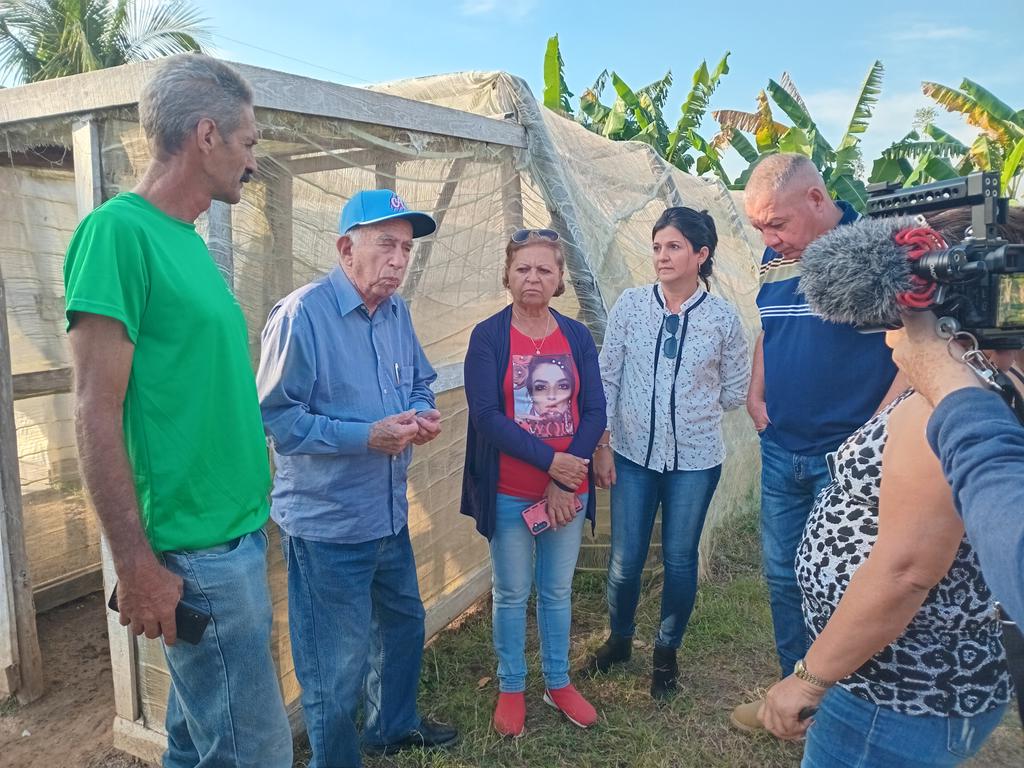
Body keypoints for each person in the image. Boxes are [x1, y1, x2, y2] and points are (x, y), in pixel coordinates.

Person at [63, 55, 292, 767]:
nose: (253, 162)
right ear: (206, 135)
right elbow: (94, 410)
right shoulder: (117, 234)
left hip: (233, 536)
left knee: (196, 747)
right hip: (195, 555)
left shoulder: (186, 241)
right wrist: (135, 564)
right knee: (257, 754)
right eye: (248, 143)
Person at [257, 190, 457, 767]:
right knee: (334, 667)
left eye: (407, 248)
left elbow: (420, 380)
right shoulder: (302, 315)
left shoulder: (396, 312)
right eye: (386, 244)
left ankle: (391, 727)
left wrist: (421, 413)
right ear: (346, 249)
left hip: (386, 513)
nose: (399, 259)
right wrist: (365, 437)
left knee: (402, 626)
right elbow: (277, 419)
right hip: (328, 526)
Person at [757, 321, 1011, 765]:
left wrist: (809, 680)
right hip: (879, 680)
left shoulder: (948, 402)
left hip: (896, 696)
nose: (889, 333)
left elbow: (905, 572)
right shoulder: (964, 383)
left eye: (902, 316)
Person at [732, 154, 904, 730]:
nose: (769, 238)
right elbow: (771, 326)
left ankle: (847, 707)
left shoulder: (876, 252)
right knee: (785, 577)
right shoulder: (775, 258)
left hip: (848, 458)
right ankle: (795, 697)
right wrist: (756, 392)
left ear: (815, 198)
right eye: (759, 227)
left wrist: (875, 434)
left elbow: (915, 346)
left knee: (846, 584)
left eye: (776, 224)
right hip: (782, 446)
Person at [584, 207, 749, 699]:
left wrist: (689, 407)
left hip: (695, 461)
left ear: (701, 254)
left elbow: (735, 389)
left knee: (679, 559)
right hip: (632, 455)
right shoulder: (631, 305)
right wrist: (603, 442)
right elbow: (606, 377)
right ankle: (619, 641)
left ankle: (665, 654)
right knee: (625, 559)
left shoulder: (722, 318)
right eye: (657, 246)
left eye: (674, 247)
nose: (662, 256)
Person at [461, 228, 606, 737]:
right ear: (507, 274)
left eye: (545, 269)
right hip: (509, 490)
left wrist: (565, 479)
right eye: (523, 268)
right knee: (511, 591)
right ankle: (512, 685)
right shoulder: (489, 337)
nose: (533, 278)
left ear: (559, 278)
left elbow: (594, 410)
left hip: (568, 491)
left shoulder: (577, 336)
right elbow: (485, 416)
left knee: (557, 591)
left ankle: (558, 682)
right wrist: (551, 463)